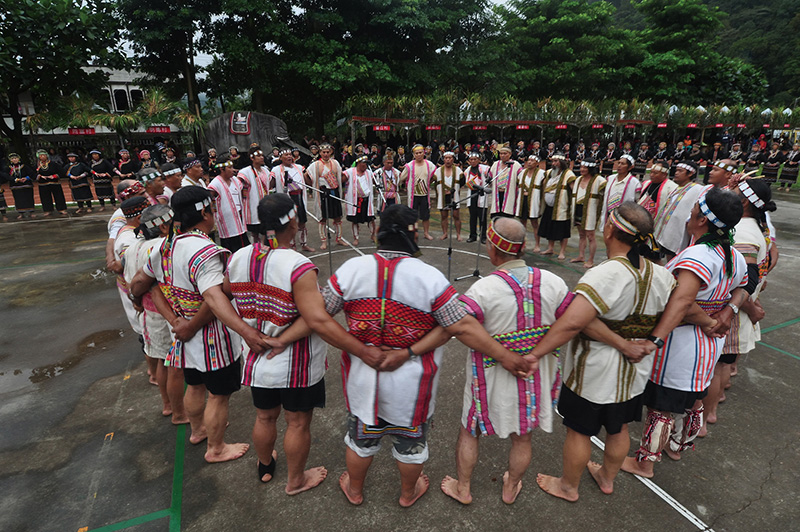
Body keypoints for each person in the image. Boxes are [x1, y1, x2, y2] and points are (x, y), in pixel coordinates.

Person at [321, 205, 537, 508]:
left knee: (361, 440)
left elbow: (319, 315)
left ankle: (354, 489)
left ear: (379, 232)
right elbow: (460, 325)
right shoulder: (429, 278)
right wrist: (506, 356)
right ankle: (407, 494)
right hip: (411, 387)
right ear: (412, 234)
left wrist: (359, 348)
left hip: (362, 381)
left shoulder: (350, 271)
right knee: (410, 446)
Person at [225, 194, 383, 493]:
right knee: (297, 423)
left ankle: (265, 465)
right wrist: (362, 350)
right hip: (293, 363)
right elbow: (317, 319)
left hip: (257, 358)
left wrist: (246, 330)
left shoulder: (239, 257)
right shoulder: (297, 265)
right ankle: (296, 480)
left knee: (264, 416)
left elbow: (222, 291)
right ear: (294, 221)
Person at [531, 202, 675, 501]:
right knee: (618, 426)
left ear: (609, 230)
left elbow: (572, 323)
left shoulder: (607, 273)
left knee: (579, 430)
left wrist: (535, 353)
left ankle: (569, 486)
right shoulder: (661, 275)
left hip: (594, 370)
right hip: (635, 371)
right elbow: (681, 309)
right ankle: (607, 478)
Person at [440, 218, 569, 505]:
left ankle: (463, 488)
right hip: (535, 376)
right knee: (522, 437)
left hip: (489, 379)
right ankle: (510, 487)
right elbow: (573, 321)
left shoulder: (483, 290)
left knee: (469, 430)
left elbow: (458, 325)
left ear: (492, 248)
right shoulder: (554, 283)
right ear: (522, 248)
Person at [130, 186, 264, 463]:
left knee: (195, 385)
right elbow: (213, 298)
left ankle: (198, 429)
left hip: (181, 331)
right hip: (210, 336)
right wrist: (247, 332)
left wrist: (172, 319)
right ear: (204, 212)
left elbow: (142, 283)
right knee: (218, 395)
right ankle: (216, 448)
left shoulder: (164, 246)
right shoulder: (205, 251)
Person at [620, 188, 746, 476]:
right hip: (708, 345)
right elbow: (742, 287)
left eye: (693, 213)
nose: (689, 217)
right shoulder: (731, 254)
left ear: (702, 220)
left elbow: (683, 302)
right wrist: (725, 312)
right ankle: (676, 446)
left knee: (662, 405)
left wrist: (659, 337)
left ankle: (645, 462)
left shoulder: (700, 256)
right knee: (692, 399)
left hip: (684, 343)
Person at [701, 178, 775, 439]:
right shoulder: (755, 226)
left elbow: (746, 279)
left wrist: (743, 306)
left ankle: (704, 418)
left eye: (736, 190)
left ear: (744, 201)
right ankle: (712, 405)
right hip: (740, 307)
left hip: (733, 309)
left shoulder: (742, 231)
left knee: (717, 366)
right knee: (723, 364)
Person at [124, 204, 188, 424]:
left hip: (148, 312)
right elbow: (146, 282)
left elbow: (129, 281)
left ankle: (168, 405)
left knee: (162, 360)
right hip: (167, 313)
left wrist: (135, 299)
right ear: (163, 227)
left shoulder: (133, 248)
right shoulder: (162, 246)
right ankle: (180, 413)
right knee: (176, 366)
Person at [654, 160, 709, 260]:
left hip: (679, 235)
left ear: (690, 173)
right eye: (676, 170)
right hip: (668, 234)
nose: (676, 173)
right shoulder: (676, 189)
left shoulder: (698, 189)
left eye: (680, 171)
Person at [273, 149, 314, 252]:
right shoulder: (276, 170)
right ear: (281, 158)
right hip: (287, 198)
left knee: (302, 221)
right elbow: (270, 184)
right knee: (290, 223)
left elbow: (307, 180)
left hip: (299, 196)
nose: (289, 157)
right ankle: (291, 245)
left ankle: (304, 244)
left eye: (290, 155)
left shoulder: (299, 167)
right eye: (286, 155)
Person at [538, 153, 576, 260]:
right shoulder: (550, 173)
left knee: (562, 231)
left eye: (556, 161)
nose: (553, 163)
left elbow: (574, 189)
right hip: (549, 207)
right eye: (552, 161)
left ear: (562, 163)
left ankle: (562, 251)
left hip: (561, 208)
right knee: (550, 228)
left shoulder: (568, 174)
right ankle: (550, 248)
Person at [306, 143, 344, 249]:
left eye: (327, 152)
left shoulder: (335, 163)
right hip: (323, 193)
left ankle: (339, 238)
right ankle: (324, 241)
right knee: (323, 218)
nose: (326, 154)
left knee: (337, 217)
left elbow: (341, 176)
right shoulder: (316, 164)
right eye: (323, 152)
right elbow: (306, 175)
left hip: (334, 191)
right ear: (320, 153)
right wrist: (312, 188)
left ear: (330, 152)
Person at [570, 158, 606, 268]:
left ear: (590, 168)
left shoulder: (599, 180)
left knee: (590, 236)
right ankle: (581, 256)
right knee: (581, 234)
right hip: (578, 209)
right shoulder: (578, 179)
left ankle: (591, 259)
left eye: (585, 168)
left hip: (590, 210)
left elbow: (605, 194)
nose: (582, 169)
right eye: (581, 167)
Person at [208, 158, 248, 253]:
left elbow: (244, 189)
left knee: (244, 248)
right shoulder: (215, 183)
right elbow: (209, 199)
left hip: (239, 220)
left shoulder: (235, 180)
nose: (233, 170)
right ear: (222, 169)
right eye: (230, 167)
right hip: (227, 223)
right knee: (232, 250)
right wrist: (214, 212)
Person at [399, 144, 437, 240]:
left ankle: (426, 233)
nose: (419, 155)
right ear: (414, 154)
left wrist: (430, 182)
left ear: (424, 153)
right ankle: (413, 233)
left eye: (420, 152)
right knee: (412, 216)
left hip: (424, 194)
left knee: (425, 216)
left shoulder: (429, 165)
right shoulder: (409, 166)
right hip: (413, 195)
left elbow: (435, 176)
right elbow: (401, 178)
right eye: (417, 153)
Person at [238, 146, 271, 238]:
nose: (262, 157)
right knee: (255, 233)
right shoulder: (245, 172)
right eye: (259, 155)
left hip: (266, 205)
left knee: (268, 231)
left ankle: (268, 248)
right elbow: (238, 187)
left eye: (262, 155)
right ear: (252, 158)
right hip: (253, 206)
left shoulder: (266, 171)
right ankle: (256, 250)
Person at [343, 155, 376, 245]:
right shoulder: (349, 172)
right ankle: (356, 238)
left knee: (371, 218)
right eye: (364, 163)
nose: (365, 165)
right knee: (355, 220)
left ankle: (373, 235)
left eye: (366, 163)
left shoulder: (369, 173)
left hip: (367, 199)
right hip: (356, 201)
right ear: (358, 163)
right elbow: (341, 179)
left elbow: (375, 181)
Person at [600, 154, 641, 226]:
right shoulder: (610, 179)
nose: (619, 165)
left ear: (630, 167)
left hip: (624, 217)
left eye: (623, 164)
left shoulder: (635, 183)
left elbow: (638, 202)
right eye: (618, 163)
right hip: (609, 215)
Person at [515, 154, 545, 251]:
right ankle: (523, 243)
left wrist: (541, 201)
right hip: (522, 199)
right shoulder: (522, 173)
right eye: (529, 160)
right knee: (522, 222)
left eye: (532, 161)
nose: (529, 162)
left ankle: (537, 244)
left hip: (534, 200)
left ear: (537, 163)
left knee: (534, 223)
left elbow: (543, 188)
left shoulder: (541, 173)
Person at [433, 151, 464, 241]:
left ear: (453, 159)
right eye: (446, 158)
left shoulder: (458, 170)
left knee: (456, 216)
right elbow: (434, 182)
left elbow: (462, 181)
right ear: (444, 159)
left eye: (450, 158)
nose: (448, 160)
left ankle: (458, 234)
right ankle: (445, 233)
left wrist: (455, 190)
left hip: (454, 196)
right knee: (443, 216)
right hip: (443, 197)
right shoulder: (438, 171)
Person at [489, 145, 522, 218]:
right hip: (497, 193)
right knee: (496, 215)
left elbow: (520, 179)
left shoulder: (515, 165)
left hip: (509, 193)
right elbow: (490, 177)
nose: (502, 155)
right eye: (501, 154)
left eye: (505, 153)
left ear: (510, 154)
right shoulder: (495, 164)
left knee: (507, 214)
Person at [464, 152, 490, 244]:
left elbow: (490, 175)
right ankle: (472, 235)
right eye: (471, 160)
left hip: (482, 194)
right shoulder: (467, 170)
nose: (473, 161)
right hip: (472, 194)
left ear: (479, 160)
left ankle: (483, 236)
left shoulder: (484, 168)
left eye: (475, 159)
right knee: (472, 217)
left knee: (482, 217)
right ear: (468, 161)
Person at [35, 149, 68, 217]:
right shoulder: (37, 166)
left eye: (44, 155)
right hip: (43, 184)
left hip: (54, 183)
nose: (42, 157)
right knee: (45, 197)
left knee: (59, 196)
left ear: (47, 156)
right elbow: (32, 173)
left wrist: (54, 176)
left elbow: (62, 171)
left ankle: (61, 209)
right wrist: (40, 176)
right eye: (41, 156)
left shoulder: (53, 164)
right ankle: (47, 210)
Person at [7, 153, 36, 219]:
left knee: (29, 198)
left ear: (19, 159)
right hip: (16, 186)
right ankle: (21, 213)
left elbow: (32, 173)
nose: (14, 160)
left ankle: (31, 212)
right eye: (13, 159)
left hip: (26, 185)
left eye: (16, 158)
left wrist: (26, 178)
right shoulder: (9, 168)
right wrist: (15, 179)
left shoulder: (24, 166)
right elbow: (7, 176)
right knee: (18, 199)